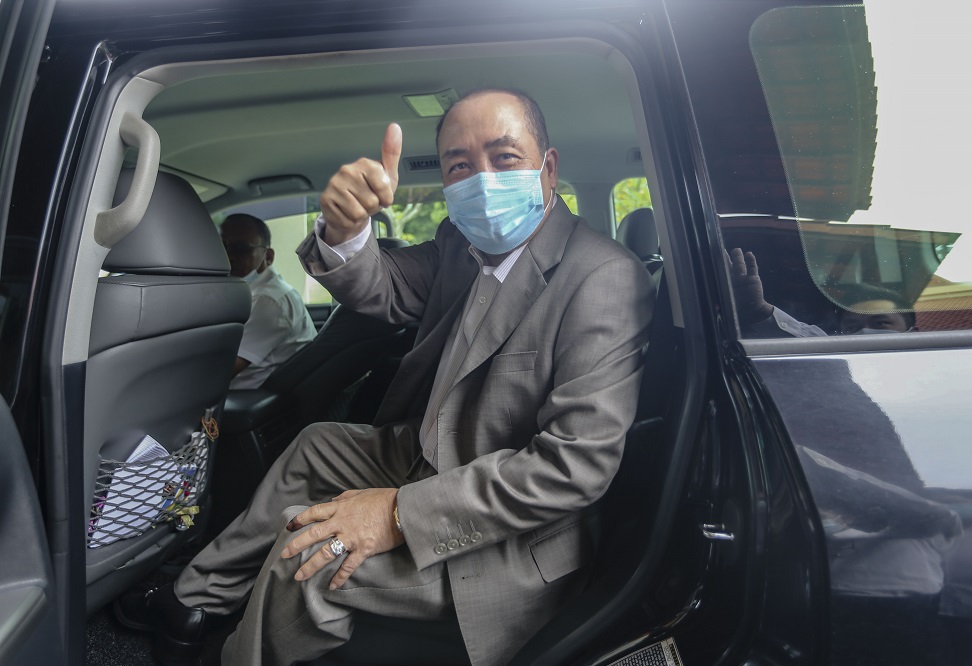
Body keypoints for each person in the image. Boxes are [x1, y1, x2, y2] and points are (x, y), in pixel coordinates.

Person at [116, 88, 655, 666]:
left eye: (504, 158)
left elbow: (574, 467)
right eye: (460, 165)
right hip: (434, 454)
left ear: (547, 168)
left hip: (515, 536)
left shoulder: (603, 277)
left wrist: (397, 514)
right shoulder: (461, 242)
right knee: (318, 445)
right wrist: (346, 231)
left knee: (311, 559)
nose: (483, 179)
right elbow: (386, 287)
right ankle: (195, 601)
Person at [727, 247, 917, 337]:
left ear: (915, 334)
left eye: (881, 323)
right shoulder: (832, 362)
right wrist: (758, 310)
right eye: (851, 328)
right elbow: (810, 342)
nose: (864, 332)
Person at [221, 214, 317, 389]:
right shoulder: (256, 292)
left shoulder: (269, 301)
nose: (228, 256)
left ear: (268, 256)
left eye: (240, 248)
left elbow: (220, 371)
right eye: (221, 247)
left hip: (242, 403)